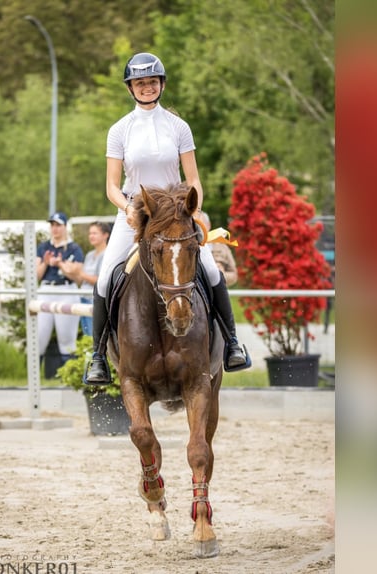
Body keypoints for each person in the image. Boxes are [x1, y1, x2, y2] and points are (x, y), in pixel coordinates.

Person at [84, 52, 249, 384]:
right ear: (131, 87)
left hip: (175, 214)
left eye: (152, 82)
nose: (147, 87)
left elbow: (194, 180)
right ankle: (99, 357)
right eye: (140, 83)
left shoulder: (179, 126)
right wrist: (128, 208)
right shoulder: (120, 129)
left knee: (212, 271)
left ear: (161, 84)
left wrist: (191, 208)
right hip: (135, 215)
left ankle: (232, 343)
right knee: (105, 279)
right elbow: (111, 186)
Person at [36, 212, 85, 371]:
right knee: (39, 336)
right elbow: (36, 275)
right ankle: (33, 378)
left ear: (65, 227)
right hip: (46, 288)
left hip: (65, 289)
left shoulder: (74, 248)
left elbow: (78, 277)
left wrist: (61, 265)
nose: (55, 229)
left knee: (66, 338)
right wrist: (45, 262)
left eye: (58, 225)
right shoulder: (43, 247)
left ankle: (68, 378)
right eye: (52, 225)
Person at [62, 221, 111, 337]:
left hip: (96, 301)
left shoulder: (108, 254)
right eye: (90, 233)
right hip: (83, 299)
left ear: (105, 235)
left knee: (94, 337)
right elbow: (81, 280)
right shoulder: (89, 255)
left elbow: (101, 281)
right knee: (87, 336)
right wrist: (64, 267)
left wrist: (79, 272)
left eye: (95, 233)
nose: (91, 236)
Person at [199, 211, 238, 287]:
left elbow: (234, 275)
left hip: (218, 291)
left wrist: (222, 275)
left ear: (208, 225)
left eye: (201, 224)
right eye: (196, 225)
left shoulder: (222, 247)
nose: (199, 228)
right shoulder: (187, 248)